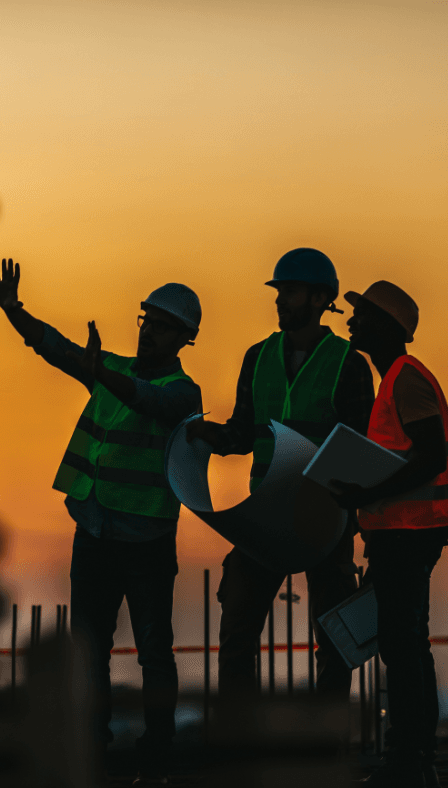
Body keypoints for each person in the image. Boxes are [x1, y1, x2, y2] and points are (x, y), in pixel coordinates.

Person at [0, 257, 202, 783]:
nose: (149, 331)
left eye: (160, 325)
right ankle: (92, 751)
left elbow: (149, 400)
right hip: (95, 531)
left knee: (154, 651)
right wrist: (15, 311)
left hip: (146, 540)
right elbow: (57, 349)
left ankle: (157, 758)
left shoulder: (184, 392)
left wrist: (101, 371)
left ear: (183, 338)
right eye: (146, 320)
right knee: (89, 650)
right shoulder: (111, 369)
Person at [186, 248, 375, 701]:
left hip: (325, 518)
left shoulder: (347, 363)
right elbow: (246, 429)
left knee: (334, 640)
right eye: (280, 292)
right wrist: (216, 437)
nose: (280, 300)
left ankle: (323, 750)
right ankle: (242, 749)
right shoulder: (258, 357)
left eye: (289, 292)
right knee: (236, 634)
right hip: (266, 516)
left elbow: (360, 449)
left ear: (318, 298)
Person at [329, 281, 448, 788]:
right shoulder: (394, 380)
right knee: (405, 642)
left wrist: (366, 492)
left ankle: (408, 757)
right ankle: (412, 754)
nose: (352, 323)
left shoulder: (405, 378)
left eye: (363, 316)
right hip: (401, 531)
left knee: (403, 645)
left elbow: (431, 455)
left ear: (388, 327)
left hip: (410, 532)